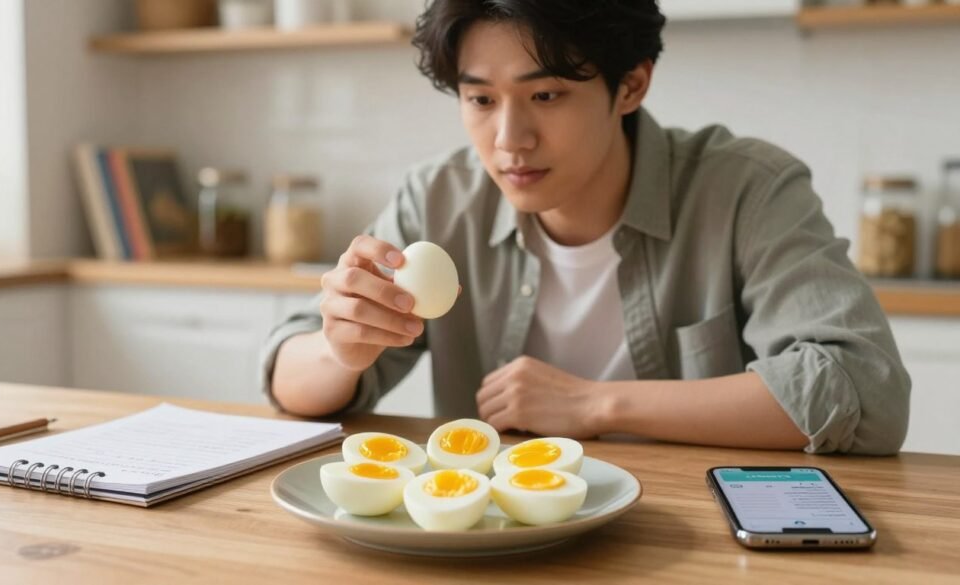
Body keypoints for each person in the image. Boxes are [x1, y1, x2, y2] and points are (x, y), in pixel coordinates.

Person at [261, 0, 910, 454]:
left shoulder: (745, 189)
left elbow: (862, 388)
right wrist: (339, 352)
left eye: (545, 96)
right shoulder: (437, 198)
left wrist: (597, 404)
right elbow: (288, 373)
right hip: (494, 536)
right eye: (481, 99)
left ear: (631, 86)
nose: (509, 140)